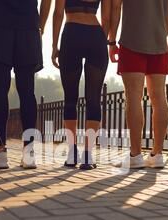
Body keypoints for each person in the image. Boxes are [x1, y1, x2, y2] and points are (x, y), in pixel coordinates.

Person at [0, 0, 52, 169]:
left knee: (0, 89)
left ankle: (0, 151)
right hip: (28, 22)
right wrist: (40, 26)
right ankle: (29, 153)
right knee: (27, 91)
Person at [109, 0, 168, 169]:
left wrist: (111, 40)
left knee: (133, 97)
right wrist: (160, 34)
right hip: (159, 43)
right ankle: (157, 154)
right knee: (160, 97)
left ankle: (136, 155)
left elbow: (116, 5)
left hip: (132, 41)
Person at [52, 0, 111, 170]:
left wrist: (54, 45)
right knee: (94, 98)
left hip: (71, 32)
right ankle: (88, 155)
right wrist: (101, 39)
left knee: (70, 98)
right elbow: (106, 16)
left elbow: (58, 13)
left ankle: (72, 153)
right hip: (95, 34)